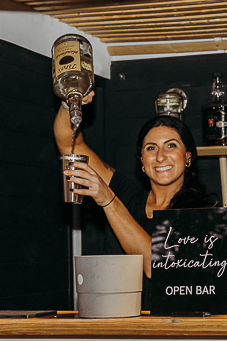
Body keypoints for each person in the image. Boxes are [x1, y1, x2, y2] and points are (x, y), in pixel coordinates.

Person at [54, 93, 214, 278]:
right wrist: (70, 103)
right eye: (151, 148)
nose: (160, 156)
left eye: (171, 146)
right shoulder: (126, 196)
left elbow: (158, 269)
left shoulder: (202, 212)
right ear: (142, 162)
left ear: (188, 156)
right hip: (116, 307)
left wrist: (108, 200)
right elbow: (70, 145)